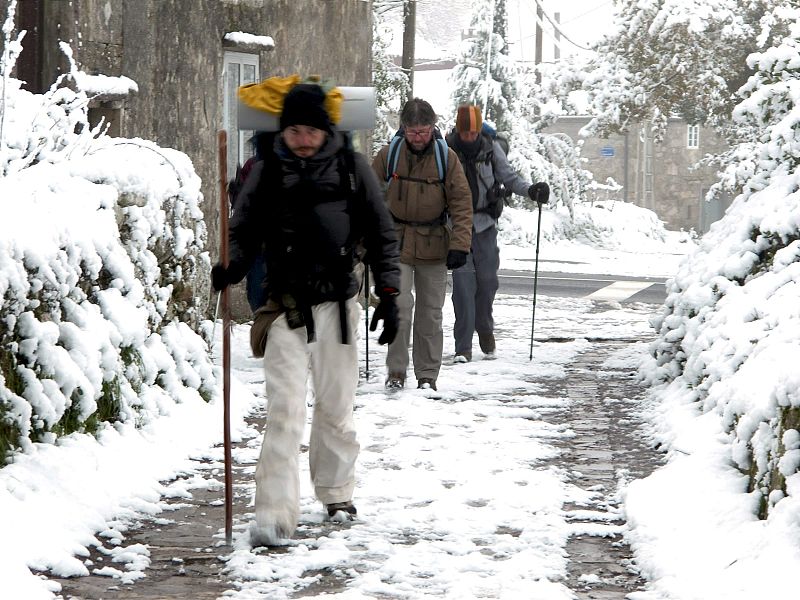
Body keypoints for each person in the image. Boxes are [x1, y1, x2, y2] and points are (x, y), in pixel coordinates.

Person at [211, 79, 401, 546]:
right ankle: (275, 514)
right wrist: (231, 265)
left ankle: (337, 493)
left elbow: (381, 232)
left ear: (325, 130)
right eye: (293, 130)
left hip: (337, 303)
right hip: (284, 307)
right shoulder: (267, 170)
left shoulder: (354, 168)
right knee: (285, 410)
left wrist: (391, 294)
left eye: (310, 130)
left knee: (336, 406)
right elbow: (243, 227)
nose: (301, 138)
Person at [372, 98, 473, 391]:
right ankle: (396, 372)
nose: (419, 137)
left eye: (424, 131)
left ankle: (427, 375)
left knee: (431, 313)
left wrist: (460, 244)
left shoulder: (447, 158)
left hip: (435, 245)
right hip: (396, 243)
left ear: (433, 128)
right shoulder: (388, 155)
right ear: (404, 128)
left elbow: (461, 203)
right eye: (413, 131)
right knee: (399, 306)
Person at [445, 105, 549, 362]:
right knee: (463, 285)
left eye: (473, 132)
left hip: (484, 224)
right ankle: (463, 347)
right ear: (458, 130)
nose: (469, 136)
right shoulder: (447, 150)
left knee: (488, 281)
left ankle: (485, 329)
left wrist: (531, 190)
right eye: (465, 132)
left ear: (479, 130)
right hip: (456, 226)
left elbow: (510, 178)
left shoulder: (491, 149)